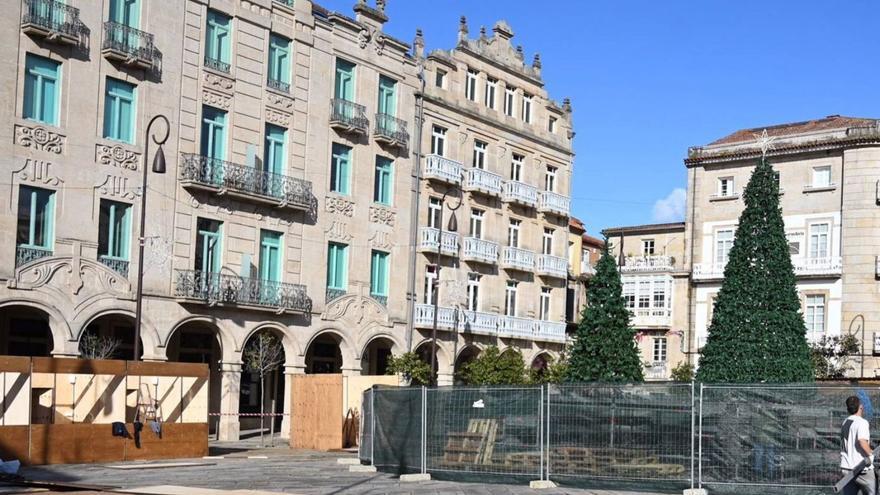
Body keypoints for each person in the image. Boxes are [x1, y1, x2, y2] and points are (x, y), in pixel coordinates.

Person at [842, 395, 876, 495]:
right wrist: (871, 454)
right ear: (860, 407)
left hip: (846, 468)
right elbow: (862, 441)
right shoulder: (862, 422)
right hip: (861, 468)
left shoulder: (845, 422)